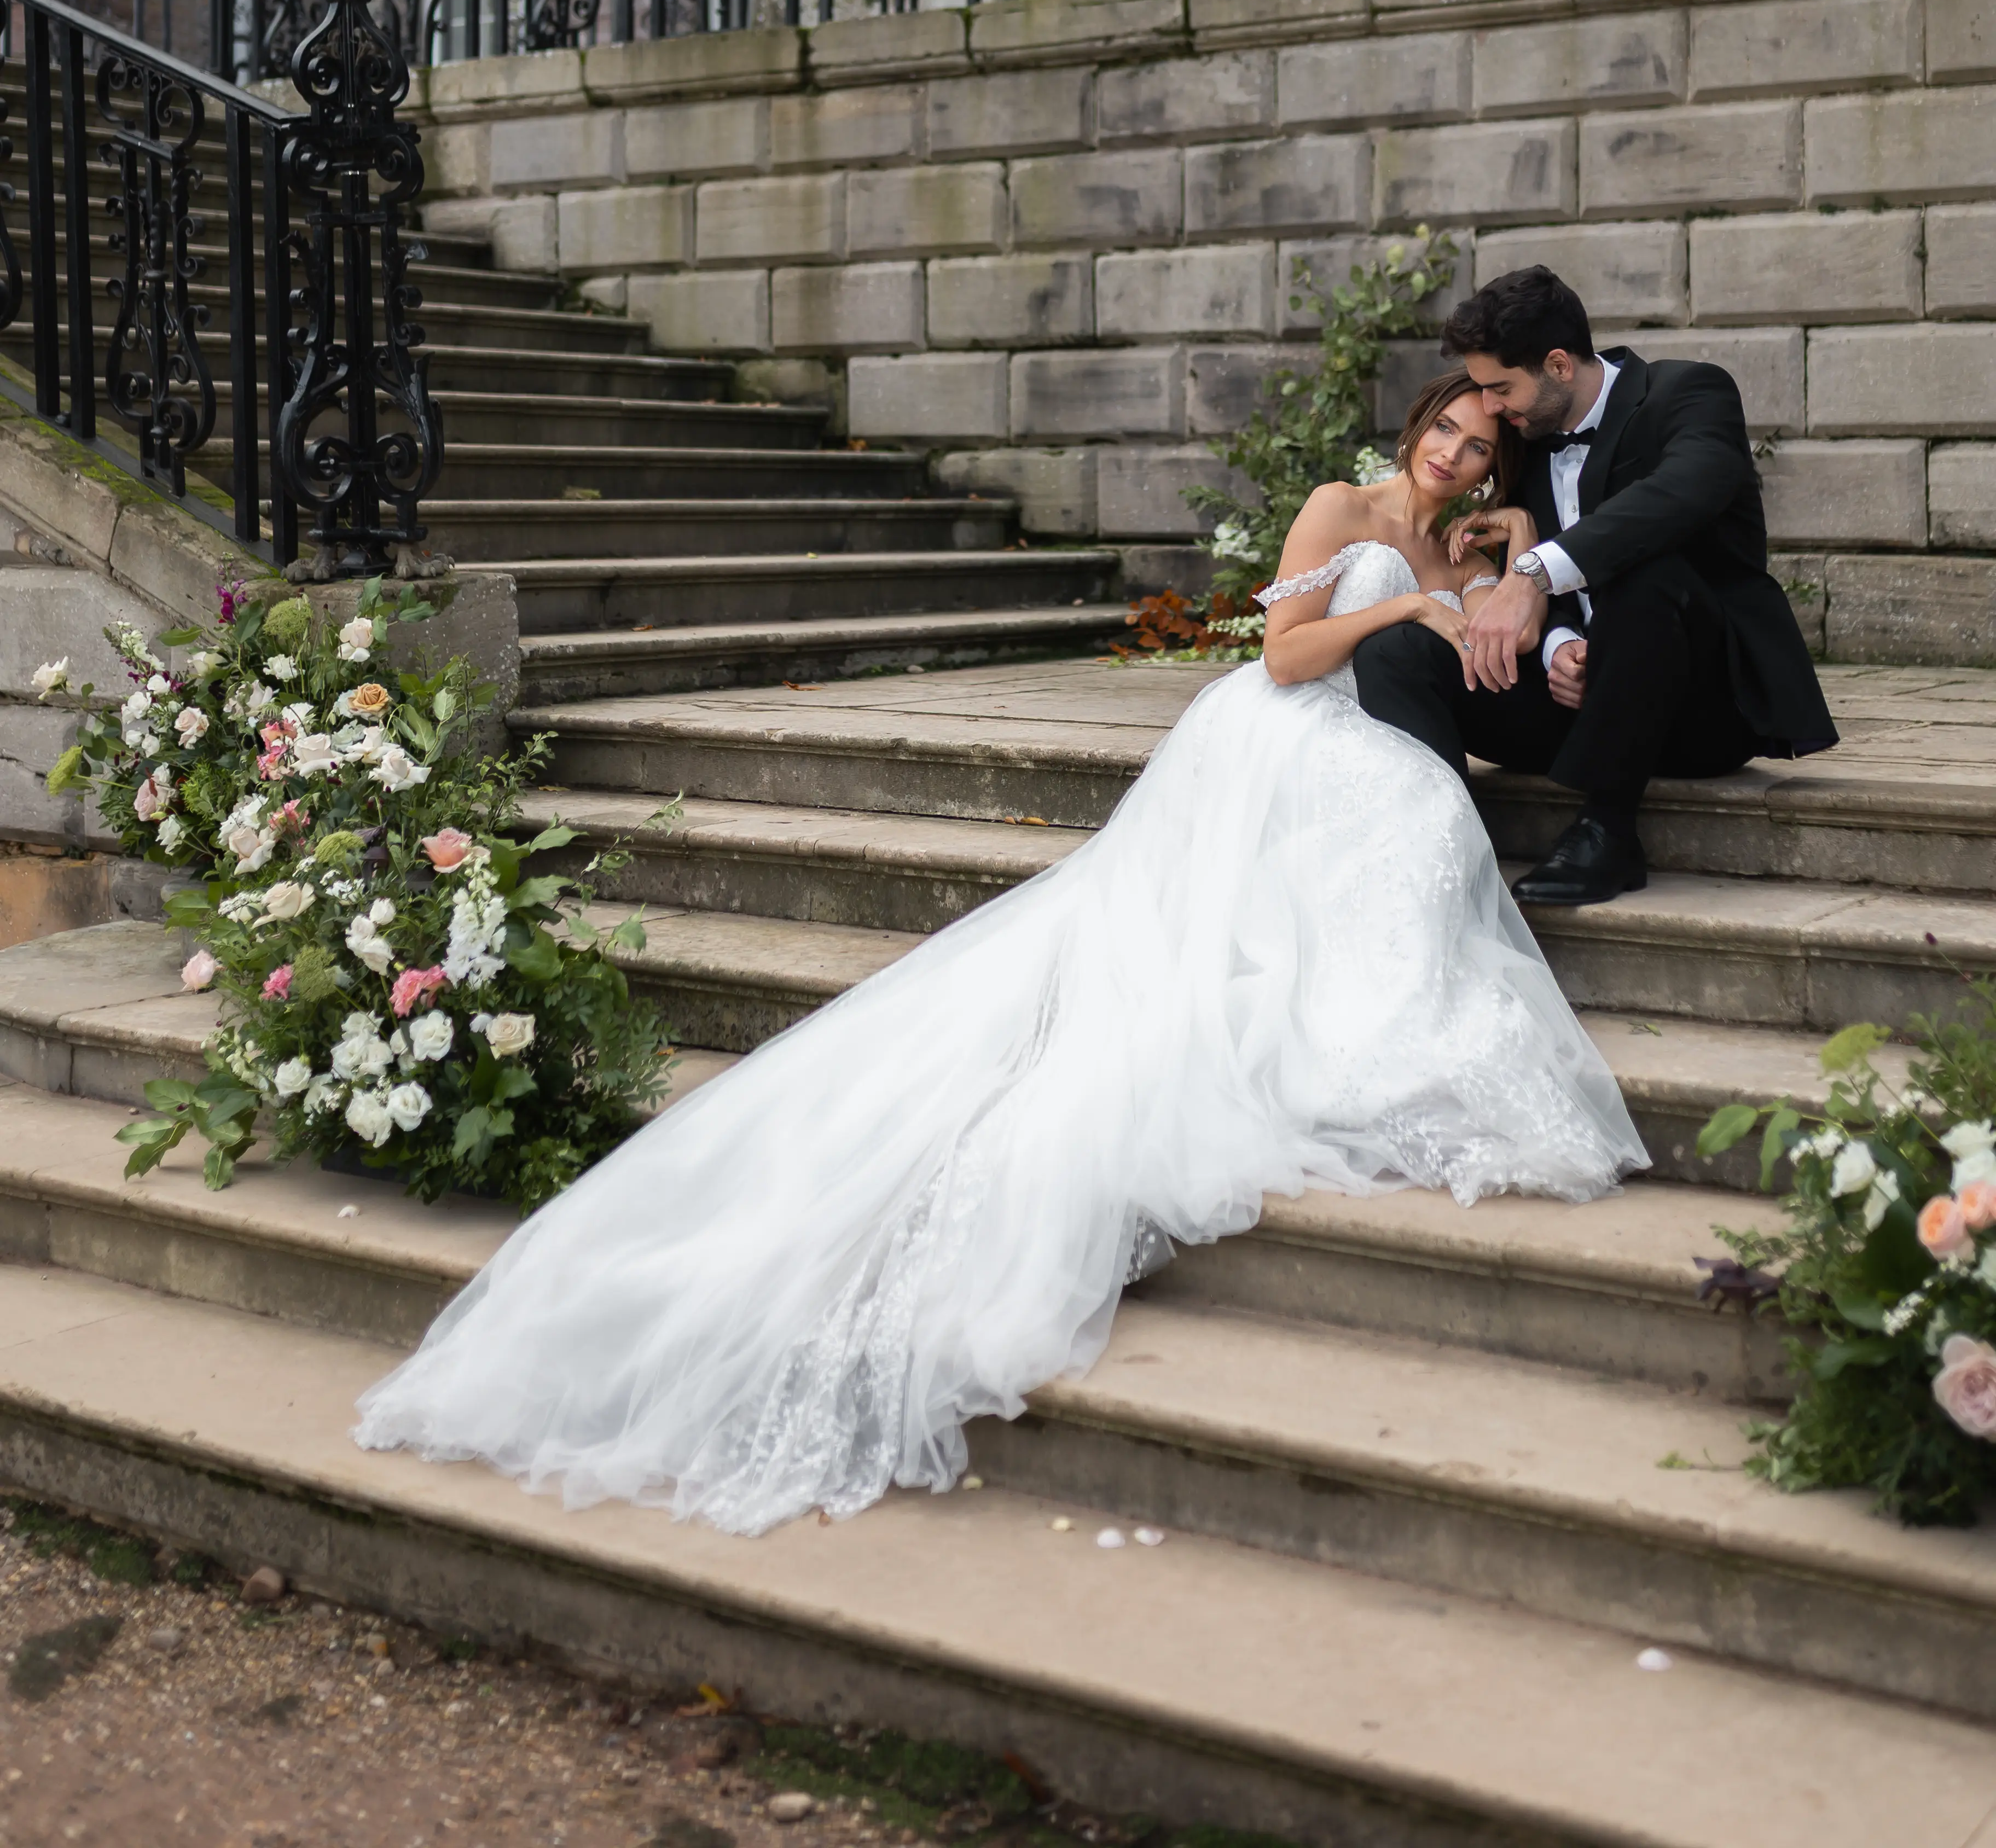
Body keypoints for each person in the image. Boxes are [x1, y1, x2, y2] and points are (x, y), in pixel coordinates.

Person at [352, 368, 1643, 1535]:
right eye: (1447, 434)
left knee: (1415, 815)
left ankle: (1374, 1010)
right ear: (1414, 425)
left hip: (1357, 739)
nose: (1457, 459)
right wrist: (1406, 602)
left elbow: (1479, 630)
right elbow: (1286, 653)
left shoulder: (1453, 529)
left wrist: (1509, 553)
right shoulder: (1338, 505)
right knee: (1335, 850)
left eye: (1480, 451)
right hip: (1277, 729)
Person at [1353, 264, 1837, 912]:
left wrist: (1534, 571)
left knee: (1645, 570)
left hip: (1700, 708)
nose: (1490, 409)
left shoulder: (1689, 393)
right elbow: (1534, 606)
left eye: (1500, 389)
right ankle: (1448, 844)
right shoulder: (1527, 440)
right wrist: (1556, 646)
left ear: (1557, 365)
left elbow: (1682, 494)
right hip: (1577, 706)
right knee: (1397, 651)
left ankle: (1607, 832)